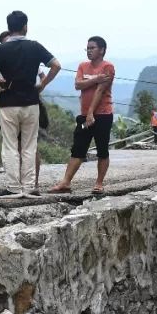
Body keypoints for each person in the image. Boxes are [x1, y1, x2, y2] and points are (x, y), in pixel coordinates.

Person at [0, 11, 60, 198]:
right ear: (25, 26)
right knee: (29, 146)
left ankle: (13, 187)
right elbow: (56, 65)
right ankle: (30, 187)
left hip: (8, 102)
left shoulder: (1, 49)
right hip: (31, 101)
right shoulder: (34, 46)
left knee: (10, 145)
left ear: (9, 27)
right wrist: (42, 85)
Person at [50, 36, 114, 195]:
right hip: (84, 116)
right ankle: (65, 182)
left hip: (103, 115)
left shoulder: (108, 67)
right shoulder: (82, 66)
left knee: (102, 149)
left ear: (102, 50)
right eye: (88, 48)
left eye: (92, 48)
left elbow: (101, 90)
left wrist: (91, 113)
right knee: (78, 148)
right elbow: (78, 85)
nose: (89, 51)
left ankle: (99, 183)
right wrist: (96, 79)